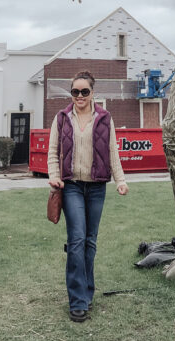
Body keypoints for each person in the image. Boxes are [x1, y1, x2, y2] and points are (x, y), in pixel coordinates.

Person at [48, 70, 128, 322]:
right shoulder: (61, 118)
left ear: (93, 93)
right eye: (75, 91)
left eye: (84, 91)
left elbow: (112, 150)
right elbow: (53, 151)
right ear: (71, 93)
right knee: (77, 239)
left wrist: (121, 180)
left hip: (96, 187)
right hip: (71, 185)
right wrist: (54, 175)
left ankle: (87, 291)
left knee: (90, 242)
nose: (79, 96)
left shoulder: (104, 118)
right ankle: (78, 300)